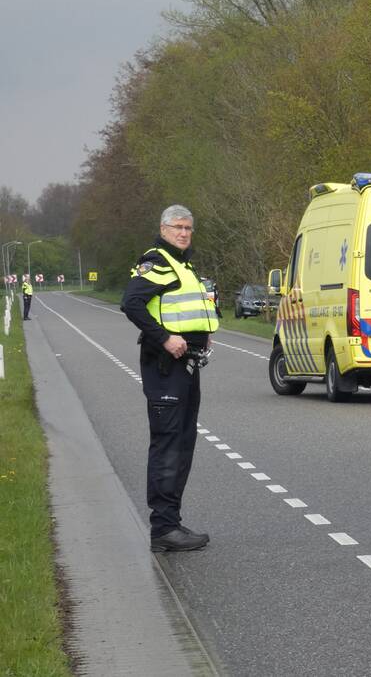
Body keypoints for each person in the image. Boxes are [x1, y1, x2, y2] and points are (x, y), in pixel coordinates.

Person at [121, 205, 219, 552]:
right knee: (168, 446)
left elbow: (186, 308)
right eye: (177, 227)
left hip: (186, 366)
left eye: (188, 228)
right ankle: (163, 528)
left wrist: (202, 332)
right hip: (166, 366)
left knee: (182, 445)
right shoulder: (158, 261)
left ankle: (171, 523)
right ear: (163, 229)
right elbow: (131, 303)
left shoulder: (182, 264)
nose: (183, 233)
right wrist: (164, 337)